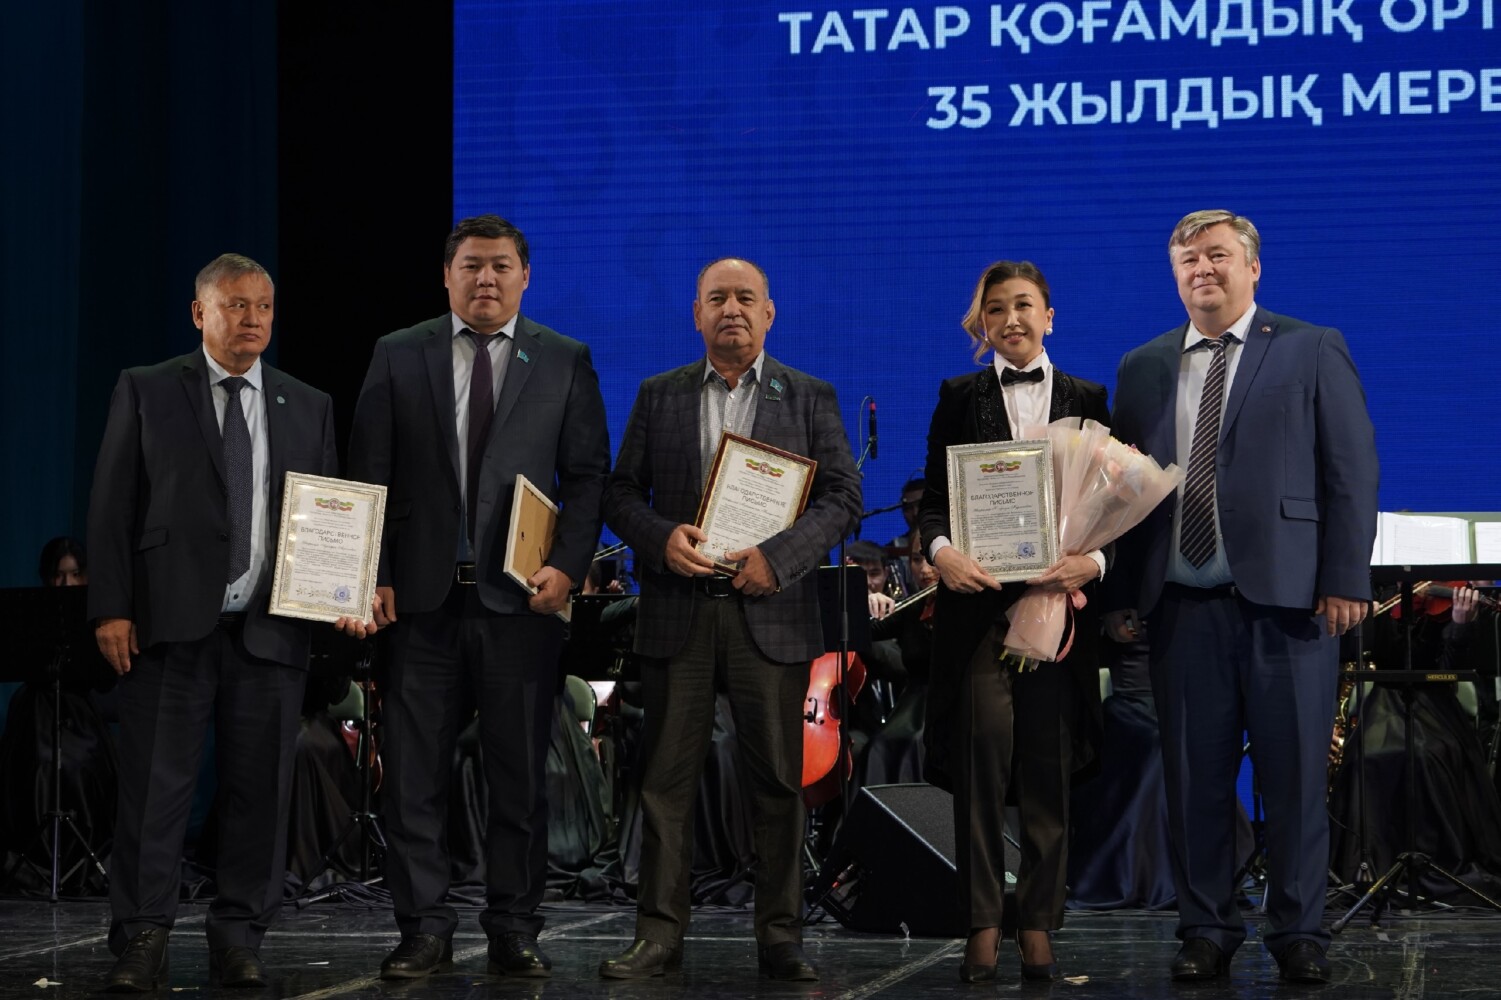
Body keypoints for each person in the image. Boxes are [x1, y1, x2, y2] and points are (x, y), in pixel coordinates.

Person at [1103, 210, 1379, 984]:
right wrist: (1122, 591)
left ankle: (1298, 931)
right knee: (1193, 781)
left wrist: (1343, 576)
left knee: (1294, 780)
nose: (1202, 269)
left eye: (1217, 255)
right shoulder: (1142, 365)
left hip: (1288, 606)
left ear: (1252, 267)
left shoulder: (1309, 347)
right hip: (1180, 607)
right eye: (1187, 259)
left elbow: (1350, 469)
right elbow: (1123, 493)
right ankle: (1205, 927)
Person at [86, 254, 371, 991]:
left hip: (269, 632)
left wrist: (343, 592)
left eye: (264, 306)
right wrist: (111, 606)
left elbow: (327, 514)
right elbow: (112, 506)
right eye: (236, 305)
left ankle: (240, 936)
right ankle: (142, 936)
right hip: (167, 629)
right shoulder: (148, 388)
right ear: (199, 313)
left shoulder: (307, 403)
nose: (252, 320)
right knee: (155, 794)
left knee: (259, 794)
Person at [347, 214, 610, 980]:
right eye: (471, 265)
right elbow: (367, 472)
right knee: (413, 782)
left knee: (519, 780)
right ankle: (422, 930)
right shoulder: (398, 353)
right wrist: (373, 571)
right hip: (419, 606)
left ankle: (514, 928)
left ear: (525, 277)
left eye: (500, 265)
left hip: (521, 607)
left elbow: (586, 477)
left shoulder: (563, 358)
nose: (485, 278)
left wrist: (567, 566)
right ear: (446, 275)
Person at [599, 257, 861, 982]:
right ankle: (658, 934)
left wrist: (778, 558)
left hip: (770, 614)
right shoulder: (659, 394)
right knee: (664, 784)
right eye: (717, 298)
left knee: (777, 784)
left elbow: (843, 495)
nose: (732, 309)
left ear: (769, 313)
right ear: (696, 314)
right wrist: (660, 538)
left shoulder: (808, 395)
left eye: (746, 298)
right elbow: (620, 493)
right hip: (678, 613)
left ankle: (780, 936)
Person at [917, 259, 1108, 983]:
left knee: (1046, 767)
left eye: (1024, 305)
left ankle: (1037, 922)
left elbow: (1114, 507)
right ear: (983, 323)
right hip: (978, 612)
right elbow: (933, 504)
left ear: (1048, 316)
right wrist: (942, 553)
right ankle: (981, 922)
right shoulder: (957, 396)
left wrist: (1092, 564)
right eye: (996, 309)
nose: (1012, 319)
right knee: (981, 762)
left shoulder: (1089, 397)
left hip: (1056, 611)